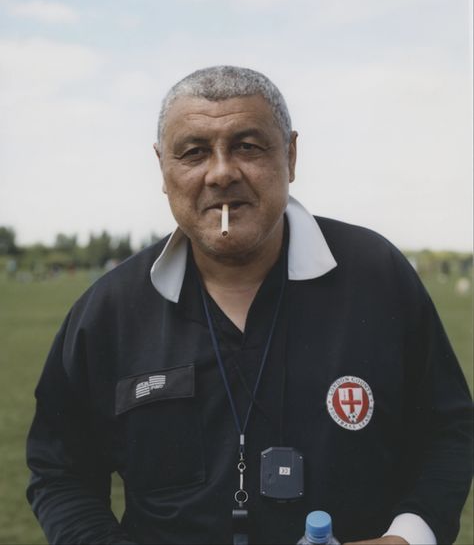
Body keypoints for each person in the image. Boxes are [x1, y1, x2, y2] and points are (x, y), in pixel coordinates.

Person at [26, 66, 472, 545]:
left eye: (248, 146)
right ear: (163, 168)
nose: (221, 173)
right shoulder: (107, 311)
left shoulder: (378, 276)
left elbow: (447, 428)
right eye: (194, 152)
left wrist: (409, 537)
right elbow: (60, 470)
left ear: (291, 156)